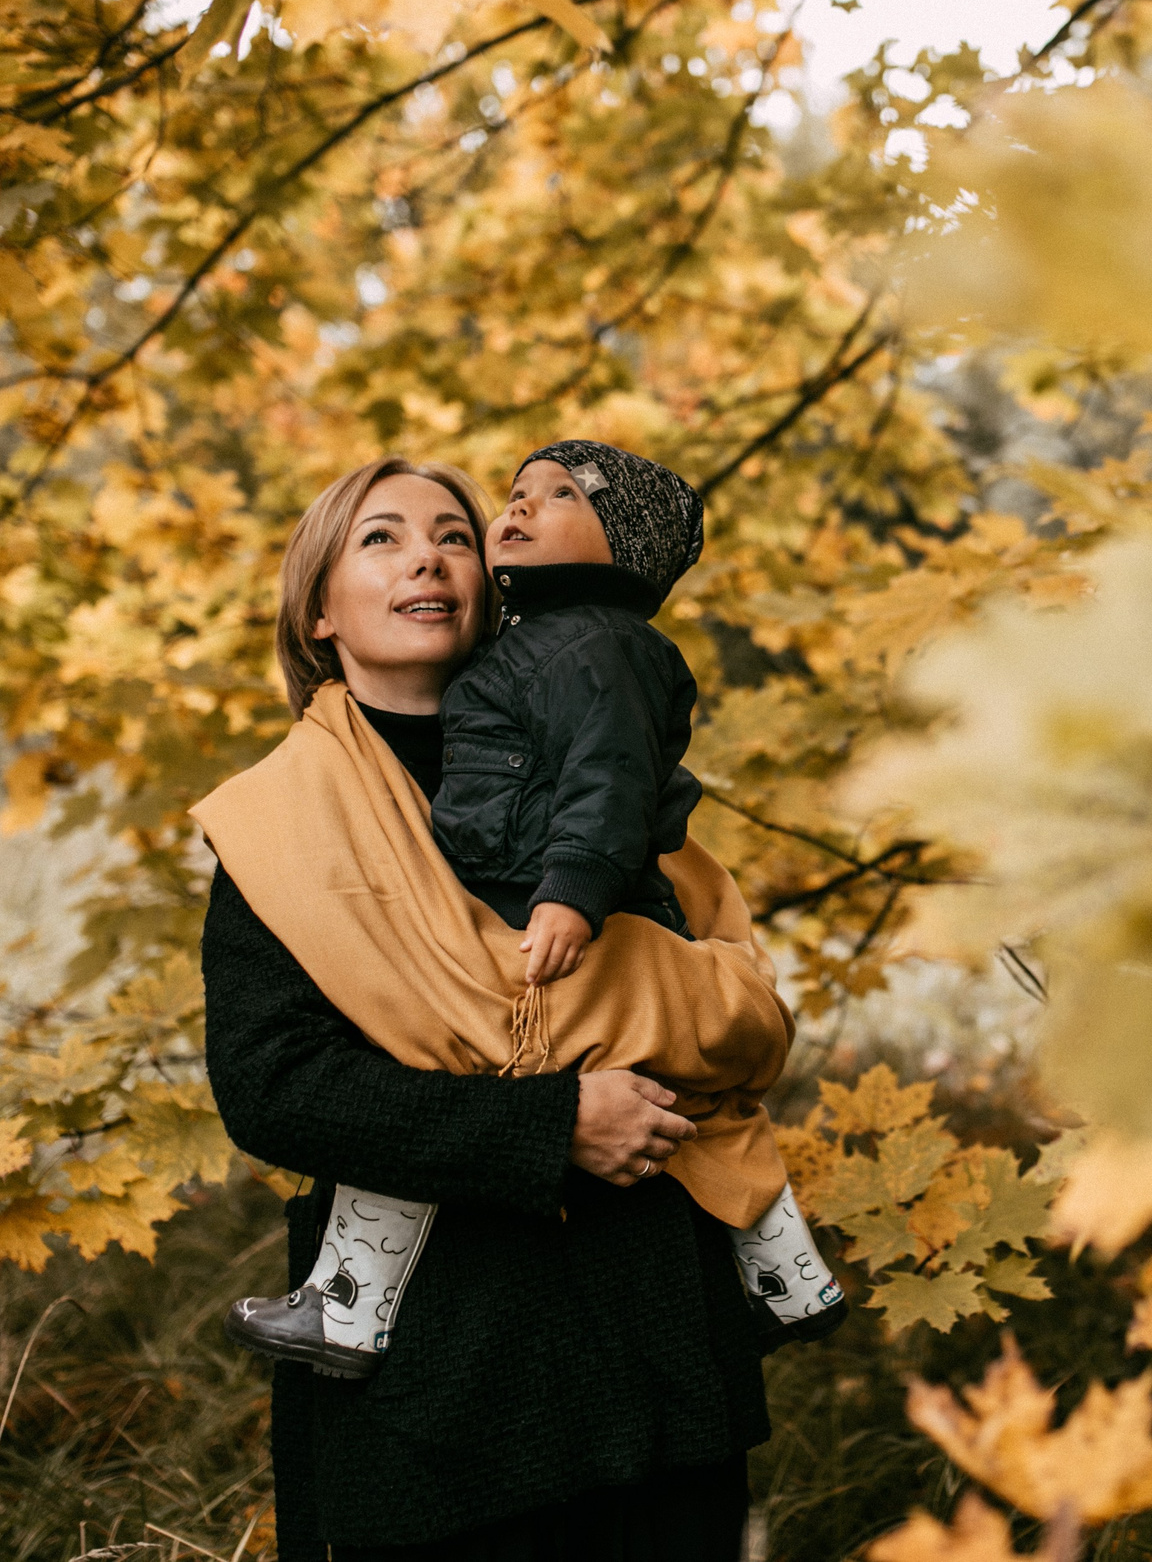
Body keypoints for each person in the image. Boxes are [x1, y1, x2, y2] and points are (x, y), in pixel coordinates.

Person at [197, 458, 773, 1559]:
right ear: (319, 612)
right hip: (441, 1373)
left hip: (651, 1342)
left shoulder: (601, 771)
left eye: (453, 536)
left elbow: (721, 994)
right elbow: (275, 1089)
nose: (426, 556)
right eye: (380, 538)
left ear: (489, 583)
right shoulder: (282, 827)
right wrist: (553, 1125)